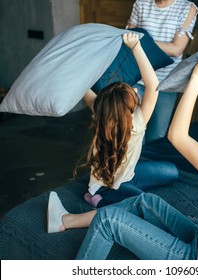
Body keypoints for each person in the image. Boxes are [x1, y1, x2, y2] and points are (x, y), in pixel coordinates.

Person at [49, 51, 198, 260]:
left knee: (108, 221)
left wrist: (197, 78)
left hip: (197, 262)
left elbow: (178, 136)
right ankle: (65, 220)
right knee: (146, 201)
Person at [47, 32, 179, 233]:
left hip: (126, 176)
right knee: (141, 208)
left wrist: (73, 67)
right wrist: (136, 48)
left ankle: (99, 196)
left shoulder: (102, 113)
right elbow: (153, 85)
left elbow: (84, 90)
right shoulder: (137, 123)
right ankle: (69, 219)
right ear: (129, 110)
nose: (136, 91)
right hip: (107, 186)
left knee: (171, 171)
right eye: (132, 92)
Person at [127, 0, 198, 143]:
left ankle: (148, 164)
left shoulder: (188, 8)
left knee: (157, 135)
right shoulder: (141, 3)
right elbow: (128, 36)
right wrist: (136, 42)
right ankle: (134, 165)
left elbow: (176, 49)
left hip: (166, 82)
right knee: (133, 131)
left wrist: (140, 42)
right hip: (138, 78)